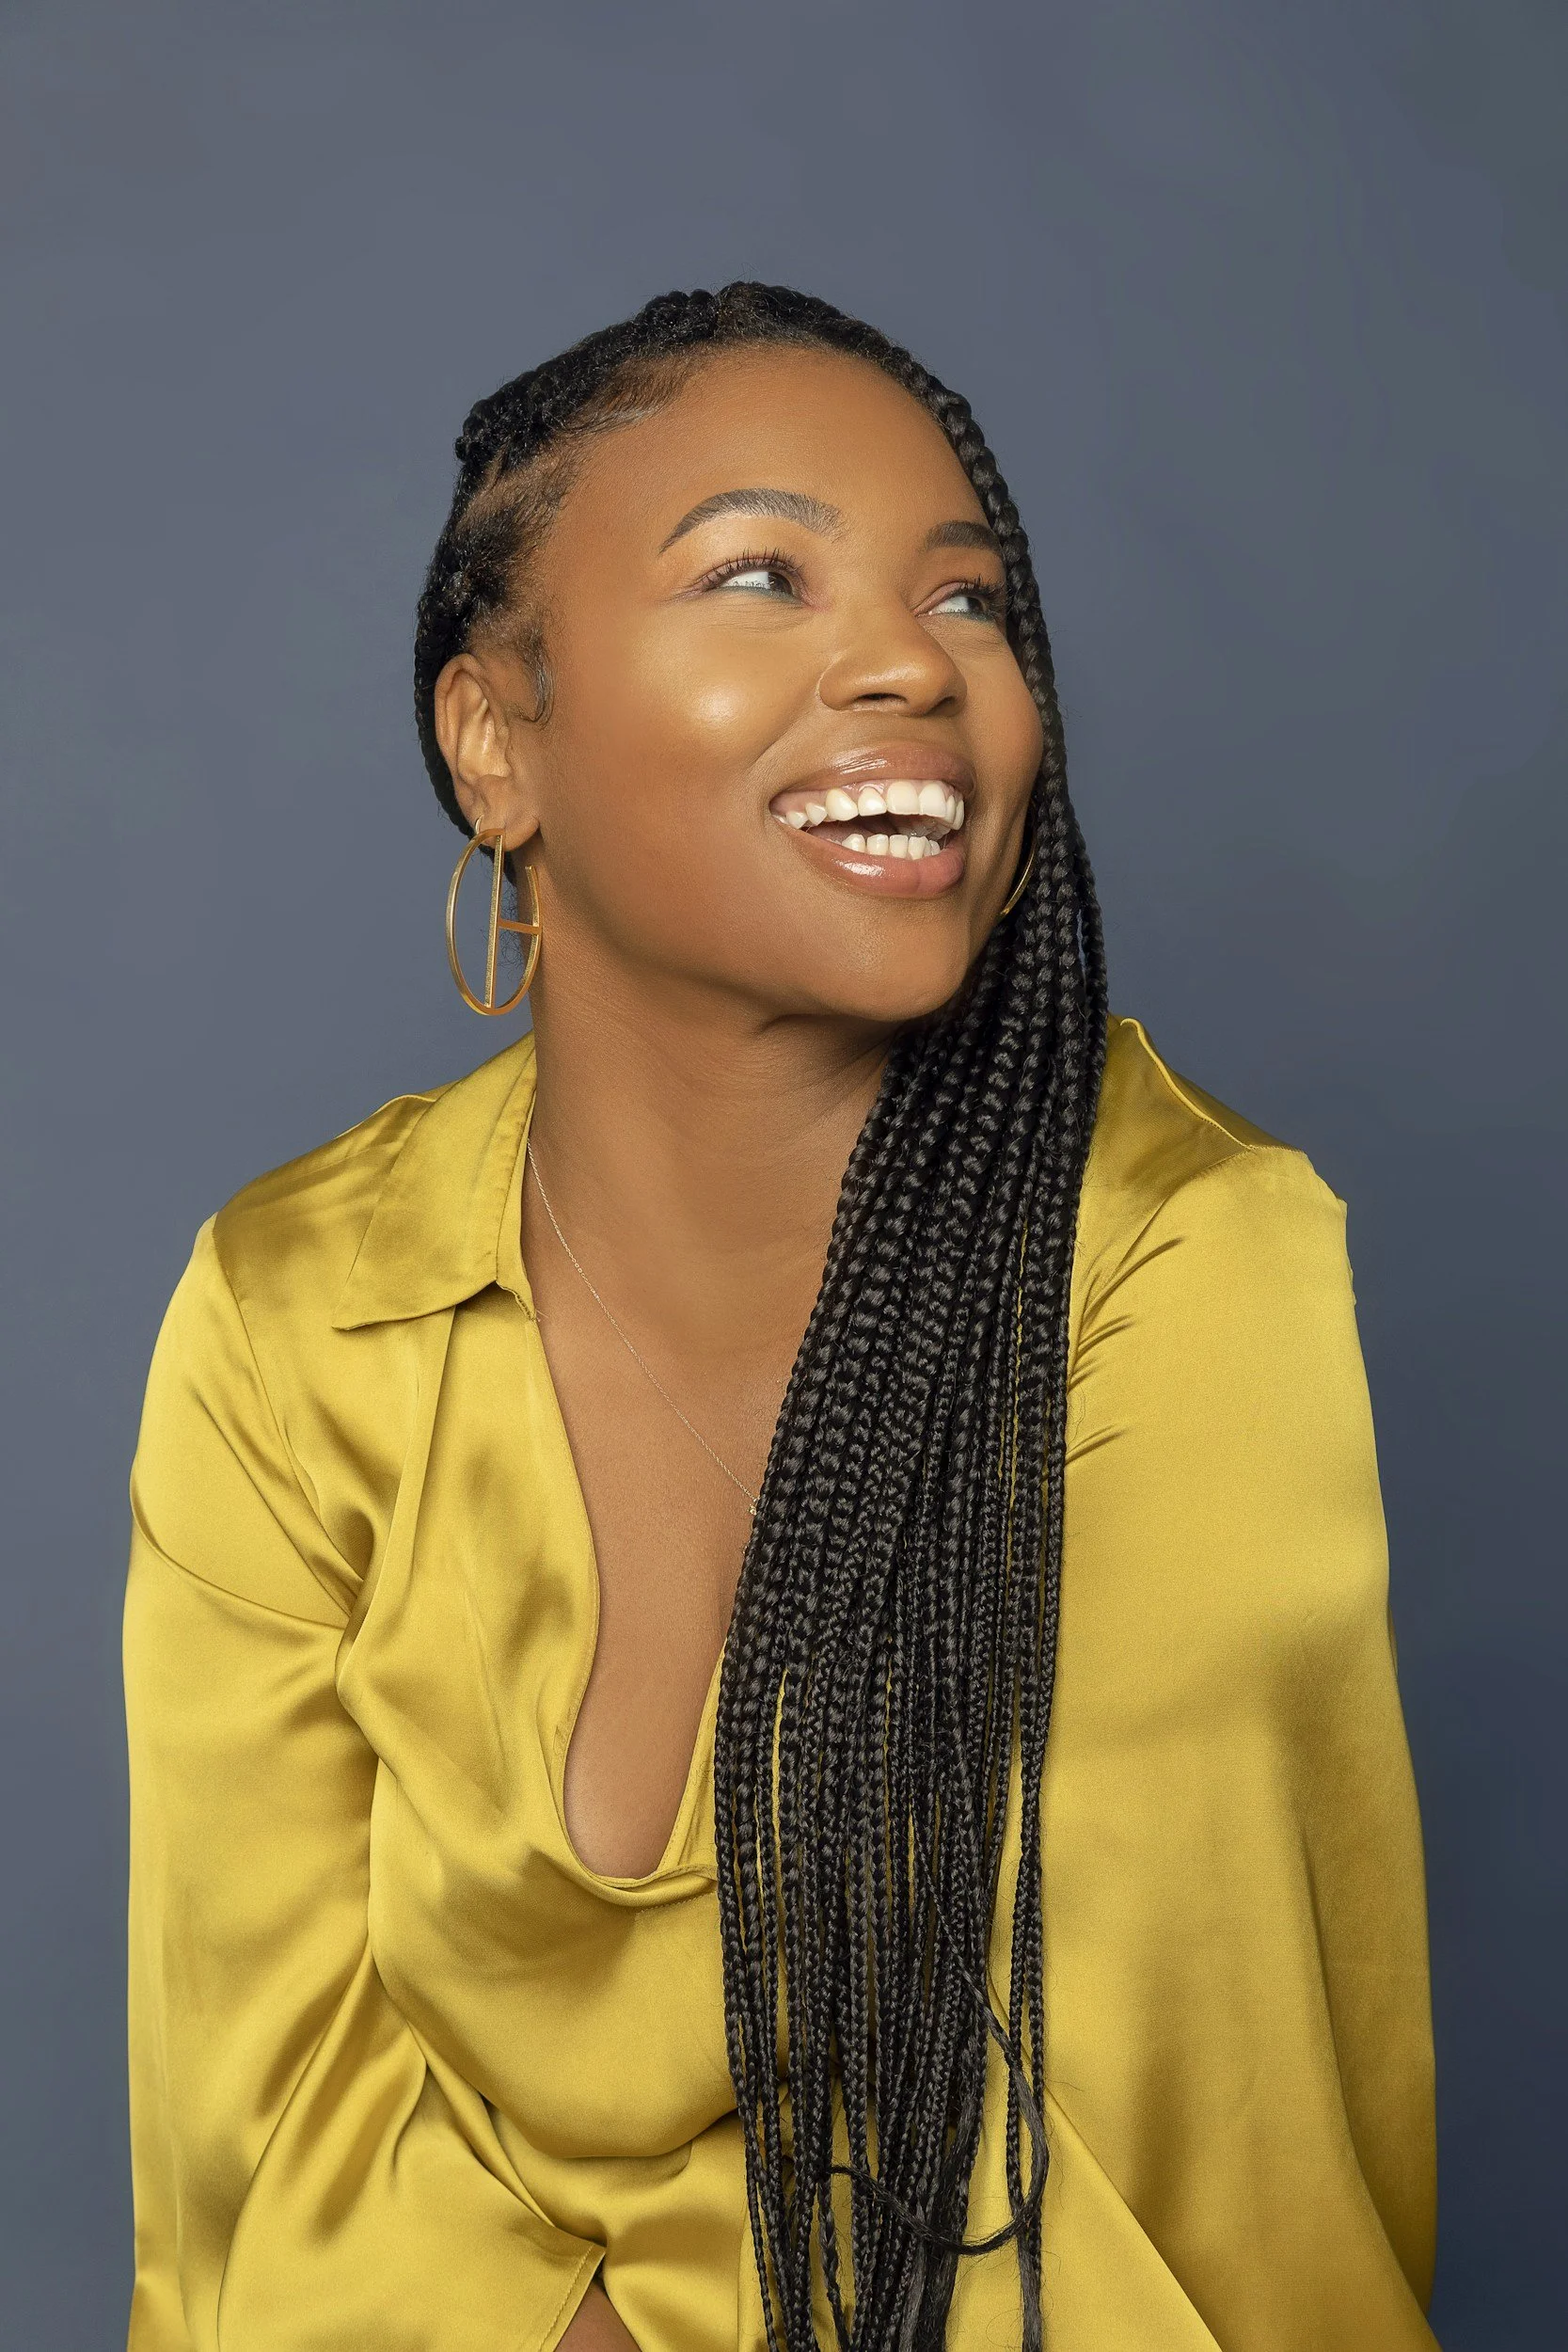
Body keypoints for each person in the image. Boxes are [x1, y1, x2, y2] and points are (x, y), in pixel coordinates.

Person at [123, 284, 1438, 2352]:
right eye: (759, 572)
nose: (918, 661)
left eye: (974, 602)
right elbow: (258, 2130)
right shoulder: (296, 1311)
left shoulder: (1179, 1259)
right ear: (497, 741)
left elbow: (1107, 2153)